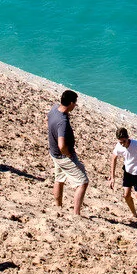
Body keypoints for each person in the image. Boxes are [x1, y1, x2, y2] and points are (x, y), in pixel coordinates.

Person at [47, 89, 87, 217]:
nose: (75, 105)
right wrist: (68, 154)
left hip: (54, 154)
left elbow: (46, 119)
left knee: (59, 179)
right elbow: (62, 145)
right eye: (75, 103)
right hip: (64, 156)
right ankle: (76, 213)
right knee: (83, 182)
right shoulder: (62, 122)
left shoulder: (54, 109)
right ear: (70, 103)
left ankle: (58, 207)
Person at [110, 126, 137, 222]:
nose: (122, 144)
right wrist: (112, 177)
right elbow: (114, 158)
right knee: (126, 195)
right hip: (128, 171)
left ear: (128, 138)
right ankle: (134, 214)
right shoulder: (119, 146)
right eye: (120, 142)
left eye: (124, 141)